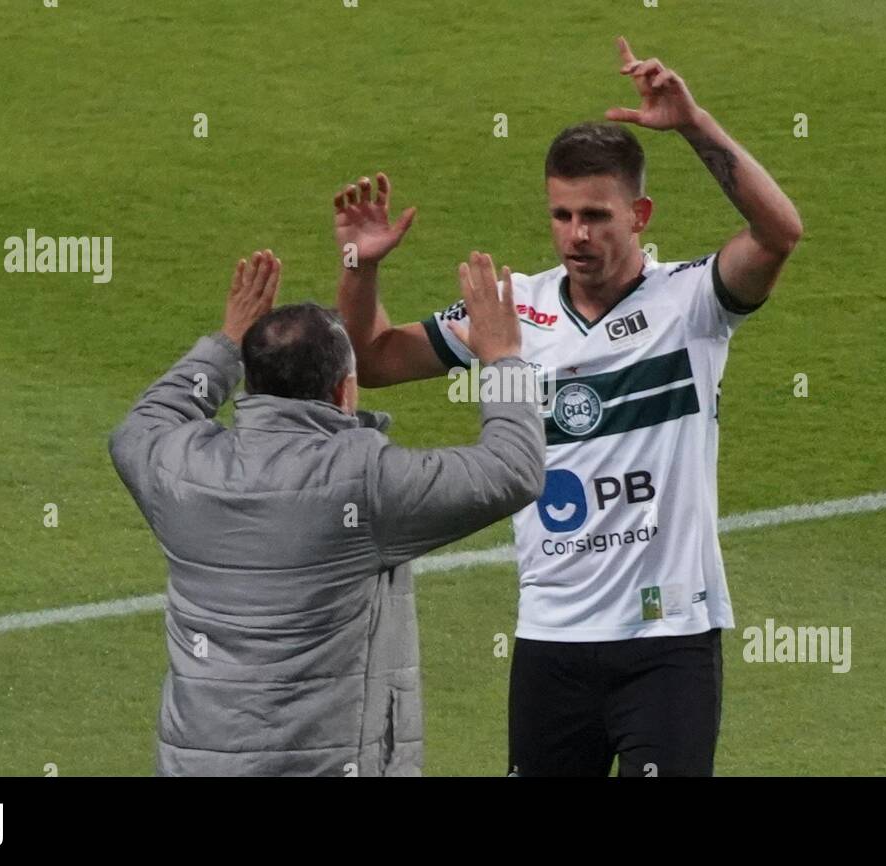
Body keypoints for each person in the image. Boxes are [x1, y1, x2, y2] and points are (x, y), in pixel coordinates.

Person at [333, 37, 803, 776]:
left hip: (668, 640)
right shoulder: (514, 308)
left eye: (596, 215)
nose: (576, 235)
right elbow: (372, 360)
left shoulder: (691, 303)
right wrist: (362, 266)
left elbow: (780, 233)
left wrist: (691, 123)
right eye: (561, 215)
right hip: (552, 640)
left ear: (639, 212)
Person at [107, 247, 544, 776]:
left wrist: (226, 342)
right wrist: (503, 361)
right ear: (344, 390)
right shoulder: (363, 483)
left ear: (252, 380)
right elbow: (514, 468)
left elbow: (145, 422)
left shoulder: (178, 466)